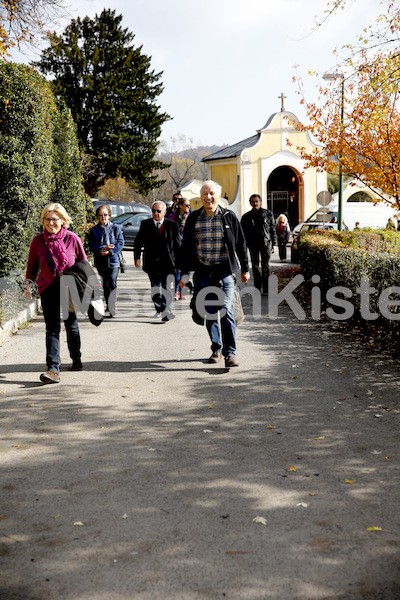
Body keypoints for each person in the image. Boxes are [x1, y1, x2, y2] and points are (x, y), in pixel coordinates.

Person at [179, 180, 250, 368]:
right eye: (204, 194)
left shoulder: (228, 217)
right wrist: (184, 275)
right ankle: (216, 349)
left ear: (219, 196)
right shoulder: (194, 218)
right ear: (200, 197)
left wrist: (245, 269)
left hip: (224, 272)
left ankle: (230, 354)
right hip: (203, 273)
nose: (208, 197)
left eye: (211, 193)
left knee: (226, 310)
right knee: (210, 313)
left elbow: (241, 244)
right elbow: (185, 248)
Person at [23, 203, 87, 383]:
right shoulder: (38, 241)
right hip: (48, 287)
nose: (50, 223)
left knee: (71, 324)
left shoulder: (72, 239)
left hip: (70, 286)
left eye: (54, 219)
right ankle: (53, 368)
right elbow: (32, 267)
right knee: (52, 328)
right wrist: (28, 286)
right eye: (47, 219)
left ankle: (76, 358)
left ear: (63, 220)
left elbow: (83, 264)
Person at [134, 200, 181, 322]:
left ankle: (167, 311)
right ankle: (159, 306)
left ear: (164, 212)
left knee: (167, 288)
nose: (156, 213)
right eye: (153, 211)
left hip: (168, 263)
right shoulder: (145, 224)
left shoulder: (172, 225)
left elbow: (178, 245)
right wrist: (137, 257)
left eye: (158, 211)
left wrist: (182, 261)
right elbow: (138, 242)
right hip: (152, 263)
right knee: (155, 288)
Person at [89, 204, 124, 317]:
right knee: (105, 283)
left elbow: (120, 243)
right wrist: (102, 249)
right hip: (101, 261)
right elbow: (92, 245)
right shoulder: (94, 230)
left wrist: (110, 252)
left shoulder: (115, 228)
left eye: (105, 214)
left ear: (109, 215)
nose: (103, 217)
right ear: (98, 217)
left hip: (114, 261)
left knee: (112, 282)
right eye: (101, 215)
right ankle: (109, 305)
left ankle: (112, 307)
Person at [240, 194, 276, 294]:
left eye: (256, 201)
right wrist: (244, 244)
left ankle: (266, 289)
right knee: (255, 266)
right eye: (252, 202)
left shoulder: (268, 213)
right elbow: (242, 232)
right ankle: (257, 287)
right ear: (250, 203)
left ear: (260, 202)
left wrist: (274, 243)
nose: (255, 203)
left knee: (265, 266)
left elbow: (272, 228)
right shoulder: (246, 217)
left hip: (266, 243)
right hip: (252, 244)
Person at [167, 197, 191, 300]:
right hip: (175, 247)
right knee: (177, 271)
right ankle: (176, 291)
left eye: (189, 205)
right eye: (187, 205)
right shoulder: (172, 217)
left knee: (186, 271)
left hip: (187, 247)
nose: (188, 207)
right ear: (180, 206)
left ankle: (183, 291)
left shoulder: (190, 217)